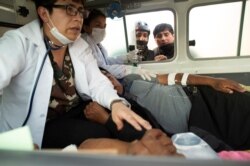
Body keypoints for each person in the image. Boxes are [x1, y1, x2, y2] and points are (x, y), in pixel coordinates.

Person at [0, 0, 155, 150]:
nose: (78, 17)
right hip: (43, 125)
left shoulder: (78, 44)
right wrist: (10, 142)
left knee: (133, 114)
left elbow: (97, 82)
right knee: (99, 133)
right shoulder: (18, 42)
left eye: (80, 11)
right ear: (44, 13)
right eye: (69, 9)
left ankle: (155, 150)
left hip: (76, 110)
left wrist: (115, 103)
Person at [82, 9, 156, 81]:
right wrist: (129, 69)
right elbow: (101, 68)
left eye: (104, 26)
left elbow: (106, 61)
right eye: (98, 25)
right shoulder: (85, 43)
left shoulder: (97, 43)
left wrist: (125, 58)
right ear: (86, 28)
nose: (102, 29)